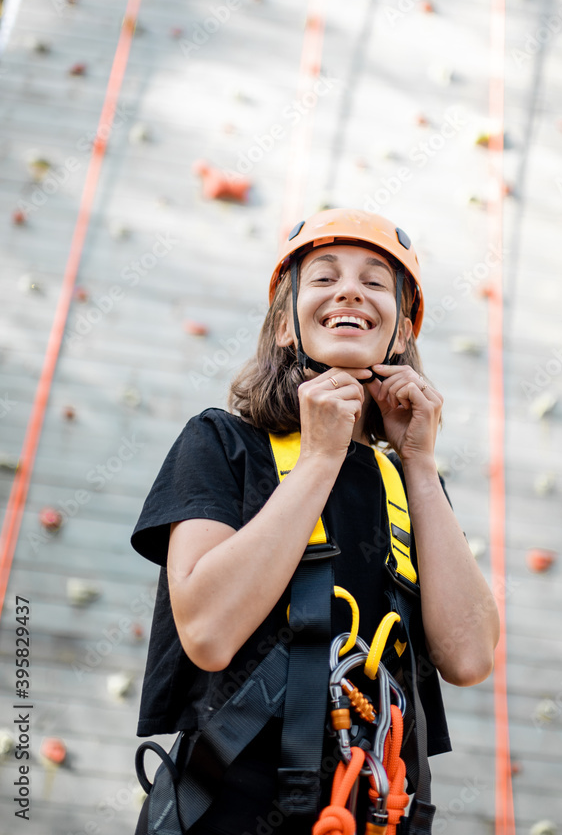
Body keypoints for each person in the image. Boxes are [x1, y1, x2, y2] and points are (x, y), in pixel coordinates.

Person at [131, 208, 499, 835]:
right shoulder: (222, 445)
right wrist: (320, 456)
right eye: (324, 277)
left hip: (380, 812)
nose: (350, 290)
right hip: (233, 812)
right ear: (284, 324)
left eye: (375, 282)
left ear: (400, 333)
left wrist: (419, 459)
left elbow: (468, 657)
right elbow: (209, 632)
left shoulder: (411, 483)